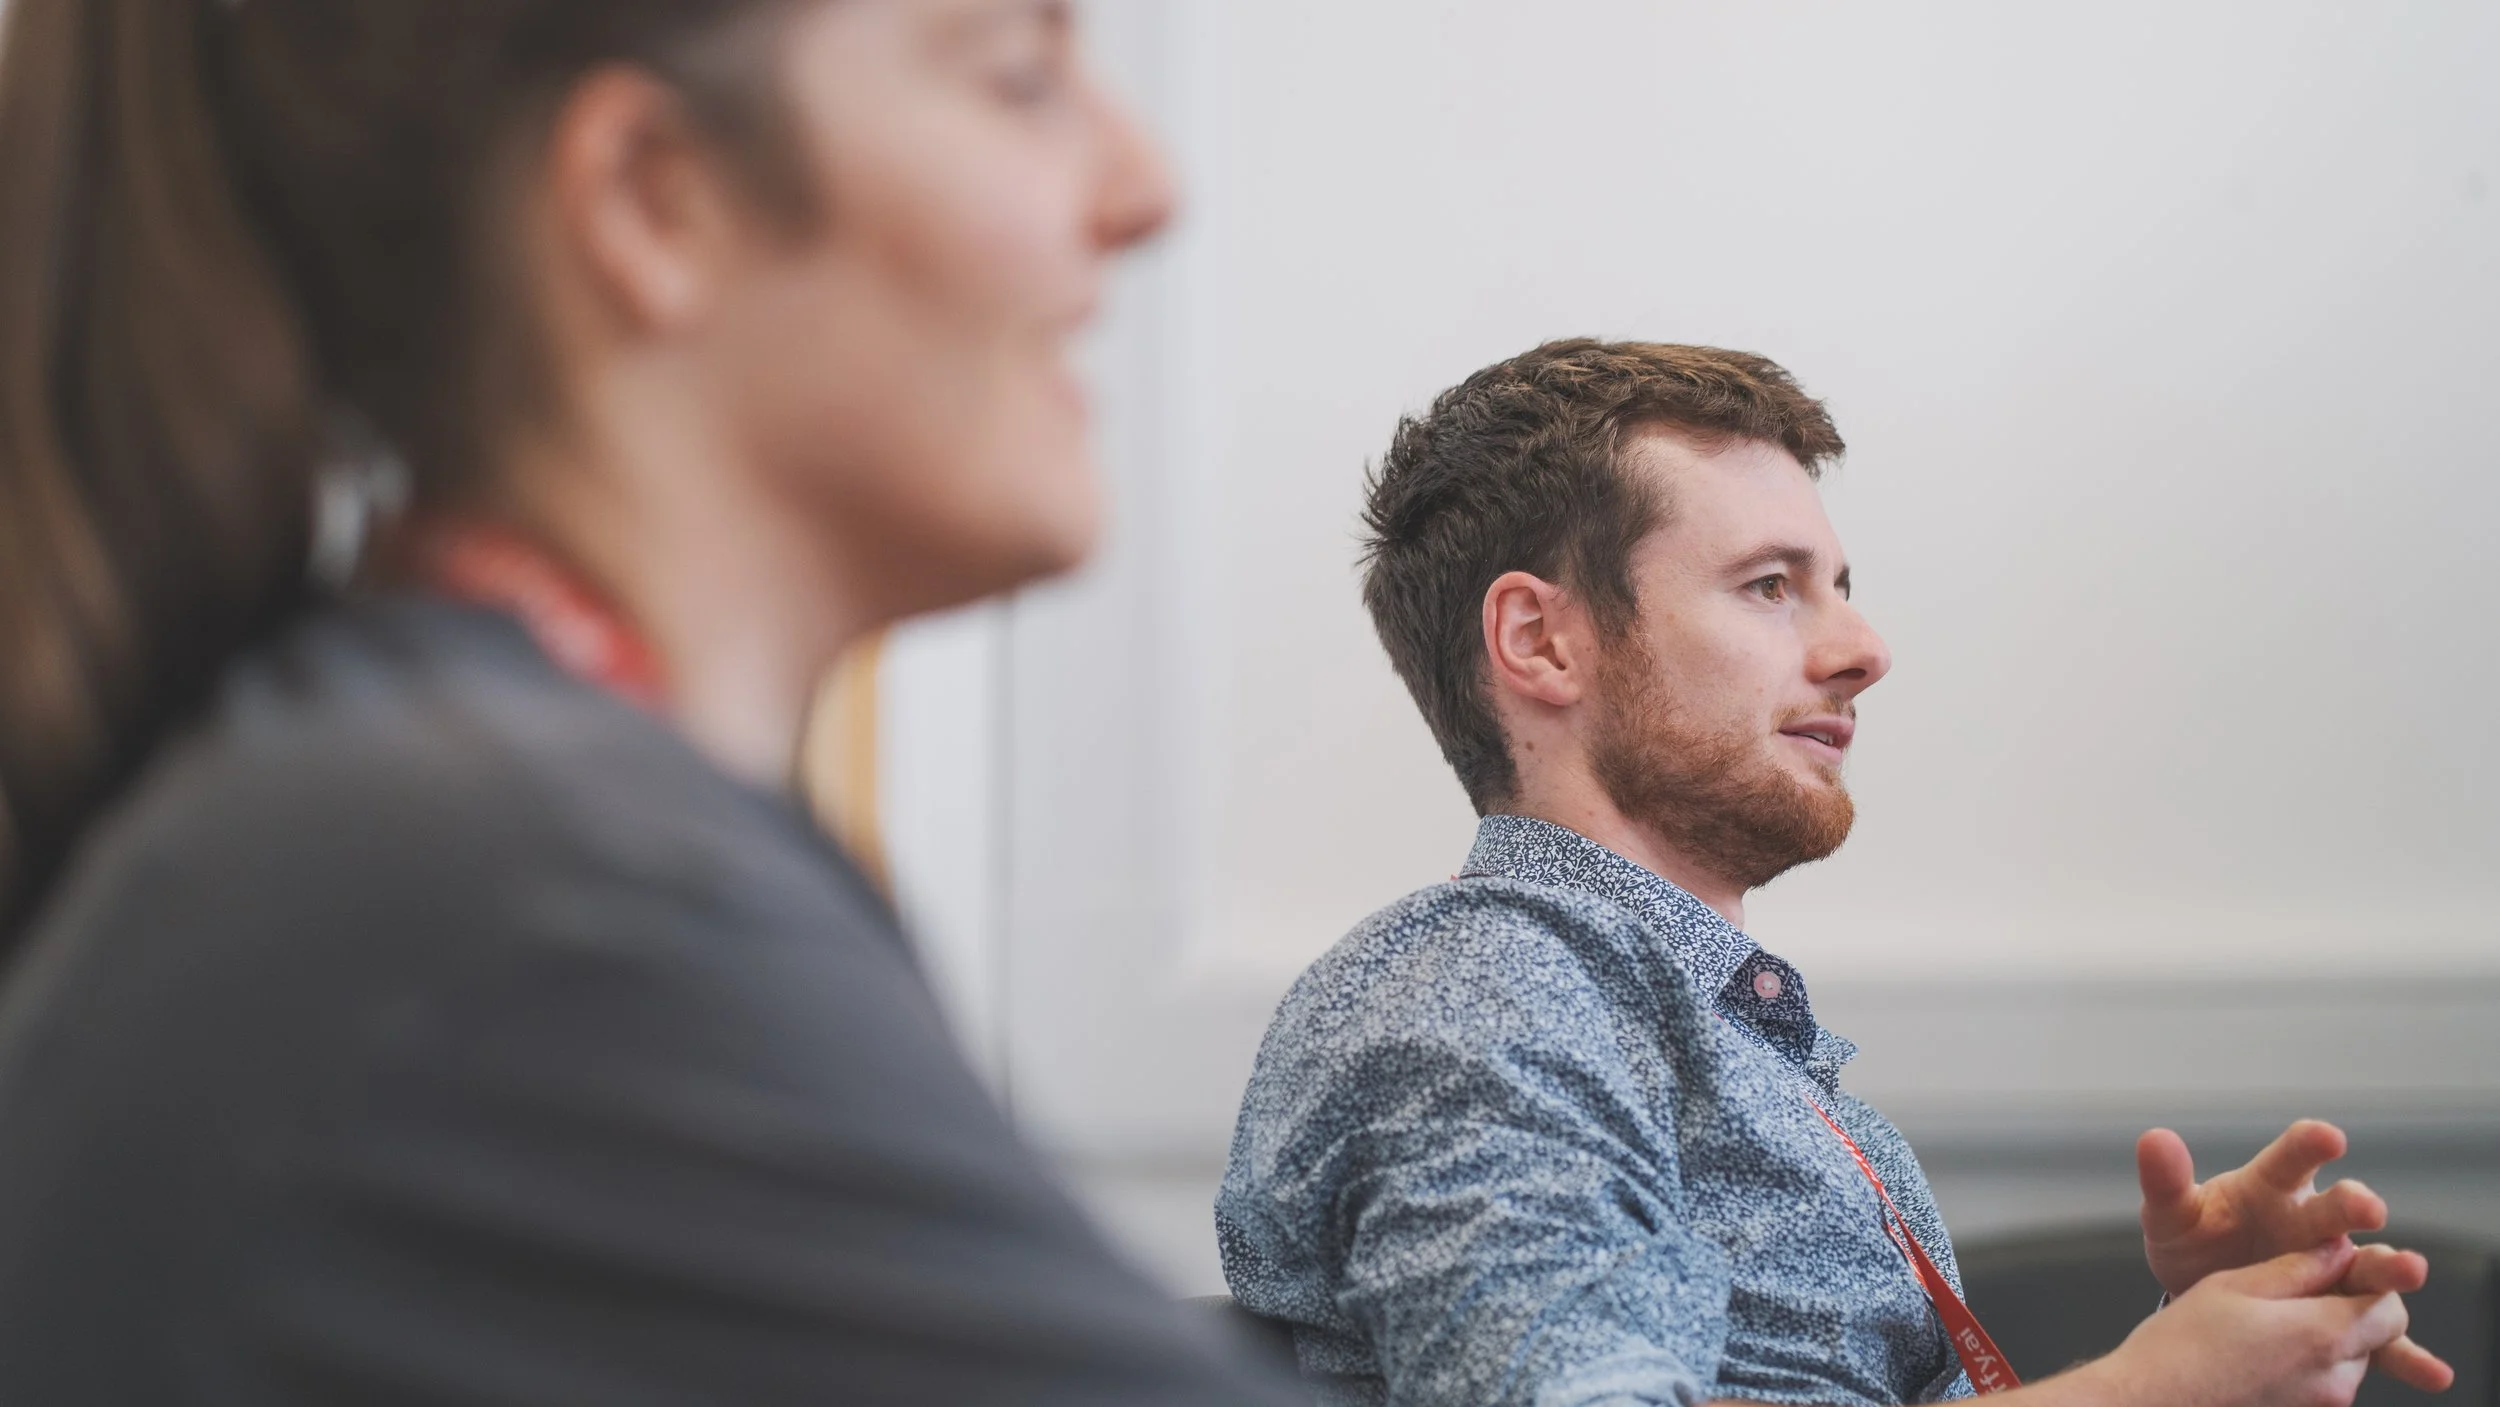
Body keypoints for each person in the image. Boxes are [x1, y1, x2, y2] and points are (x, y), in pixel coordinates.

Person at [0, 0, 1302, 1401]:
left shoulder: (450, 816)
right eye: (1019, 78)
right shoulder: (525, 891)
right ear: (652, 198)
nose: (1143, 184)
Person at [1213, 339, 2456, 1407]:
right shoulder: (1484, 991)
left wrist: (2190, 1336)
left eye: (1841, 590)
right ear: (1541, 641)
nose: (1862, 649)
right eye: (1770, 588)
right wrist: (2143, 1388)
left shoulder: (1716, 1031)